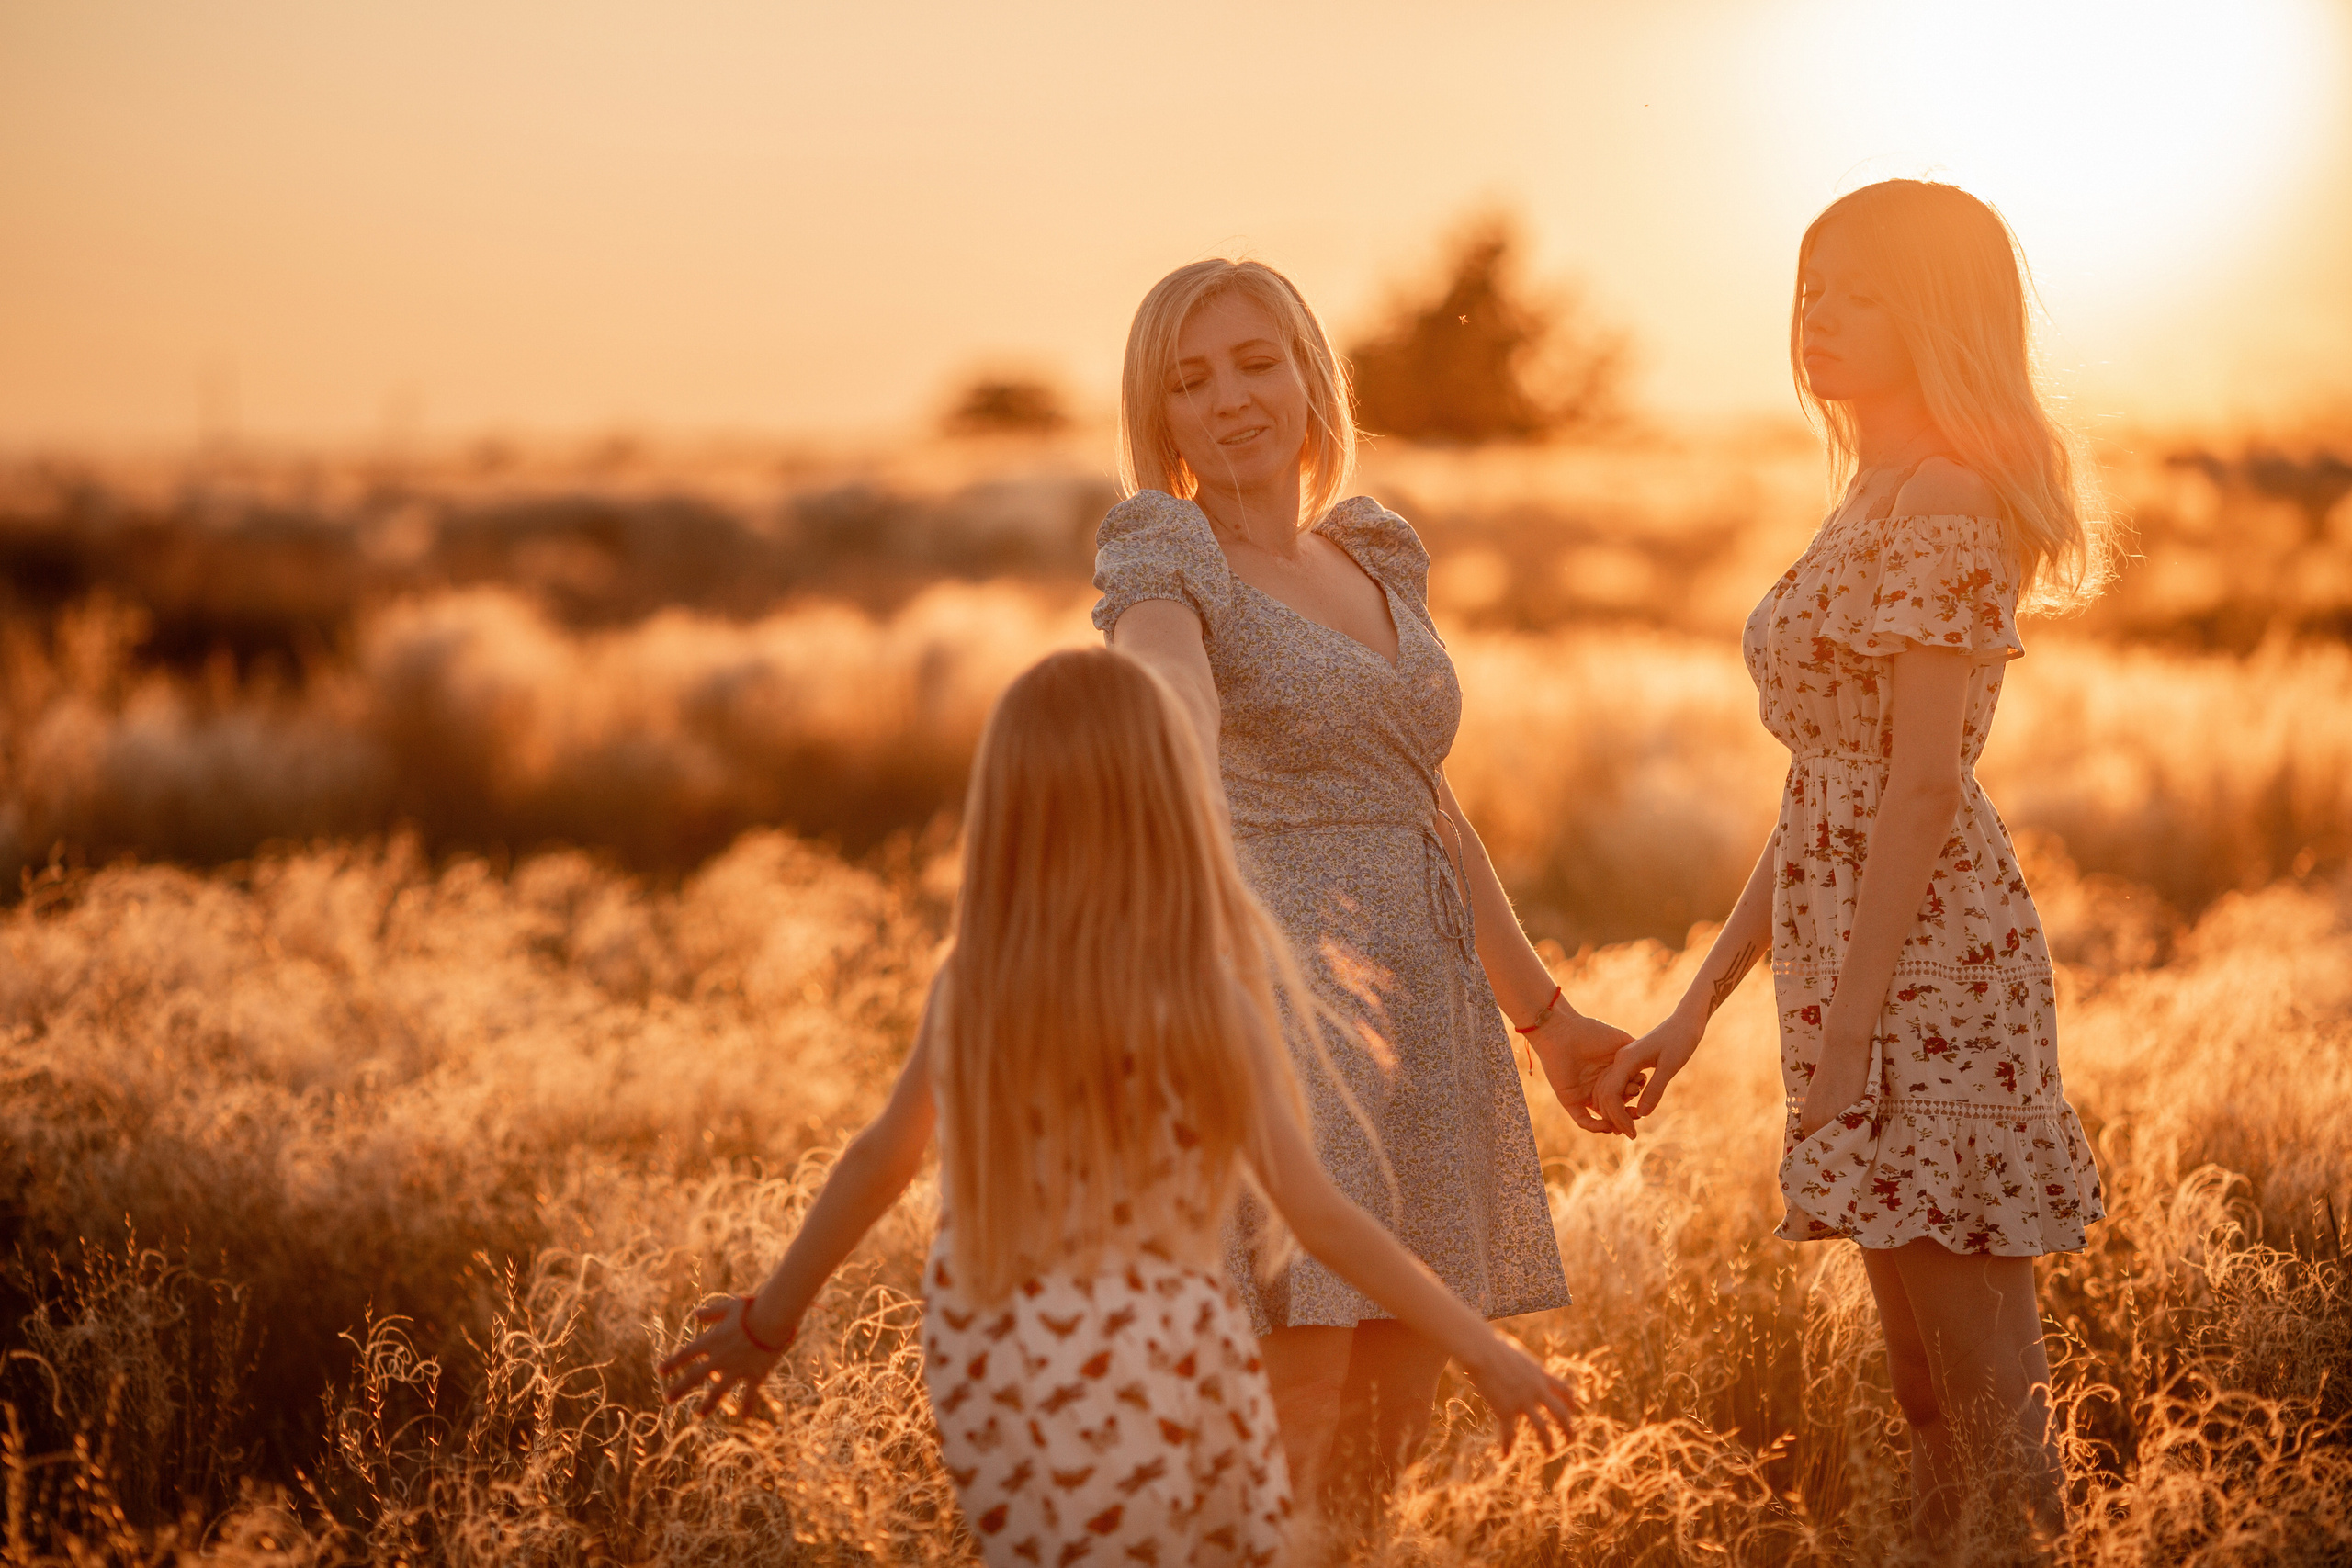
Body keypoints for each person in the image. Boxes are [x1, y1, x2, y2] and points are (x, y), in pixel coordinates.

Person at [656, 648, 1577, 1568]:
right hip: (1162, 1344)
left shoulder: (977, 982)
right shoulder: (1203, 993)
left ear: (1010, 809)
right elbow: (1319, 1214)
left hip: (991, 1356)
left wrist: (770, 1321)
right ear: (1167, 798)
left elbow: (880, 1160)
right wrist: (1481, 1349)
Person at [1593, 179, 2111, 1546]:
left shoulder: (1942, 491)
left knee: (1989, 1392)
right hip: (1854, 954)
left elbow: (1926, 783)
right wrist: (1698, 1004)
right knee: (1925, 1390)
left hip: (1929, 967)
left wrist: (1854, 1030)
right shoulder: (1871, 488)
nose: (1823, 315)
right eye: (1815, 284)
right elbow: (1826, 795)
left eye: (1865, 291)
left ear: (1938, 312)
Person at [1091, 258, 1632, 1505]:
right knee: (1294, 1405)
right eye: (1191, 378)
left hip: (1425, 1011)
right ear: (1158, 412)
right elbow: (1161, 668)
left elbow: (1424, 803)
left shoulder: (1377, 551)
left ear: (1310, 374)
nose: (1231, 398)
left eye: (1257, 360)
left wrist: (1545, 1017)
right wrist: (1165, 709)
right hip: (1276, 997)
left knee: (1387, 1440)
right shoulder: (1166, 544)